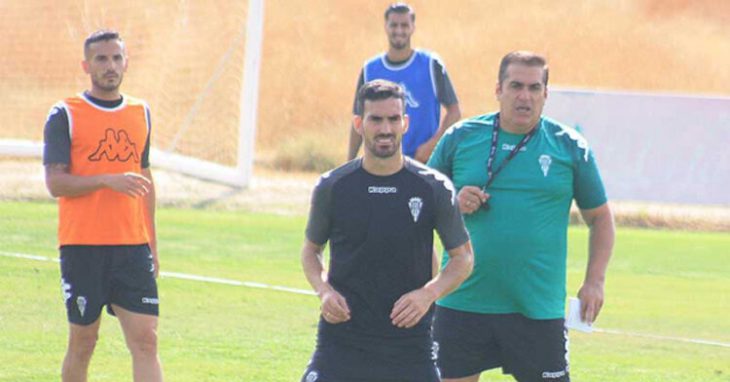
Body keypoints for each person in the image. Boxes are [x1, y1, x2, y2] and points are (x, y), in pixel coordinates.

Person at [427, 51, 615, 382]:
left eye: (533, 87)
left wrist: (595, 281)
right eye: (515, 86)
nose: (524, 96)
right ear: (498, 89)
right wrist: (453, 204)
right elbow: (421, 206)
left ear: (546, 93)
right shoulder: (461, 137)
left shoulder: (569, 147)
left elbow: (600, 218)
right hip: (461, 301)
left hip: (537, 309)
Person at [301, 79, 474, 382]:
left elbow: (463, 259)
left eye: (393, 119)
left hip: (410, 345)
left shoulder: (433, 187)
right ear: (359, 123)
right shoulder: (333, 186)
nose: (385, 129)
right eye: (376, 119)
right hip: (342, 341)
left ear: (405, 123)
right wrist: (324, 291)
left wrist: (427, 294)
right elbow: (310, 251)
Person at [43, 30, 163, 382]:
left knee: (146, 340)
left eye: (116, 58)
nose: (110, 66)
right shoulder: (65, 114)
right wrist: (105, 179)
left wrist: (152, 242)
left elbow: (144, 179)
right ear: (86, 65)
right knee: (84, 341)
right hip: (83, 247)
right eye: (101, 59)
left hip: (132, 248)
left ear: (126, 62)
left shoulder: (141, 112)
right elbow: (55, 183)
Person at [347, 2, 461, 164]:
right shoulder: (370, 69)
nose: (399, 30)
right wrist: (349, 163)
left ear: (413, 27)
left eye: (404, 25)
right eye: (394, 25)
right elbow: (358, 118)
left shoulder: (430, 65)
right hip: (382, 164)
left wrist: (432, 145)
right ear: (386, 26)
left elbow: (454, 112)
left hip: (424, 163)